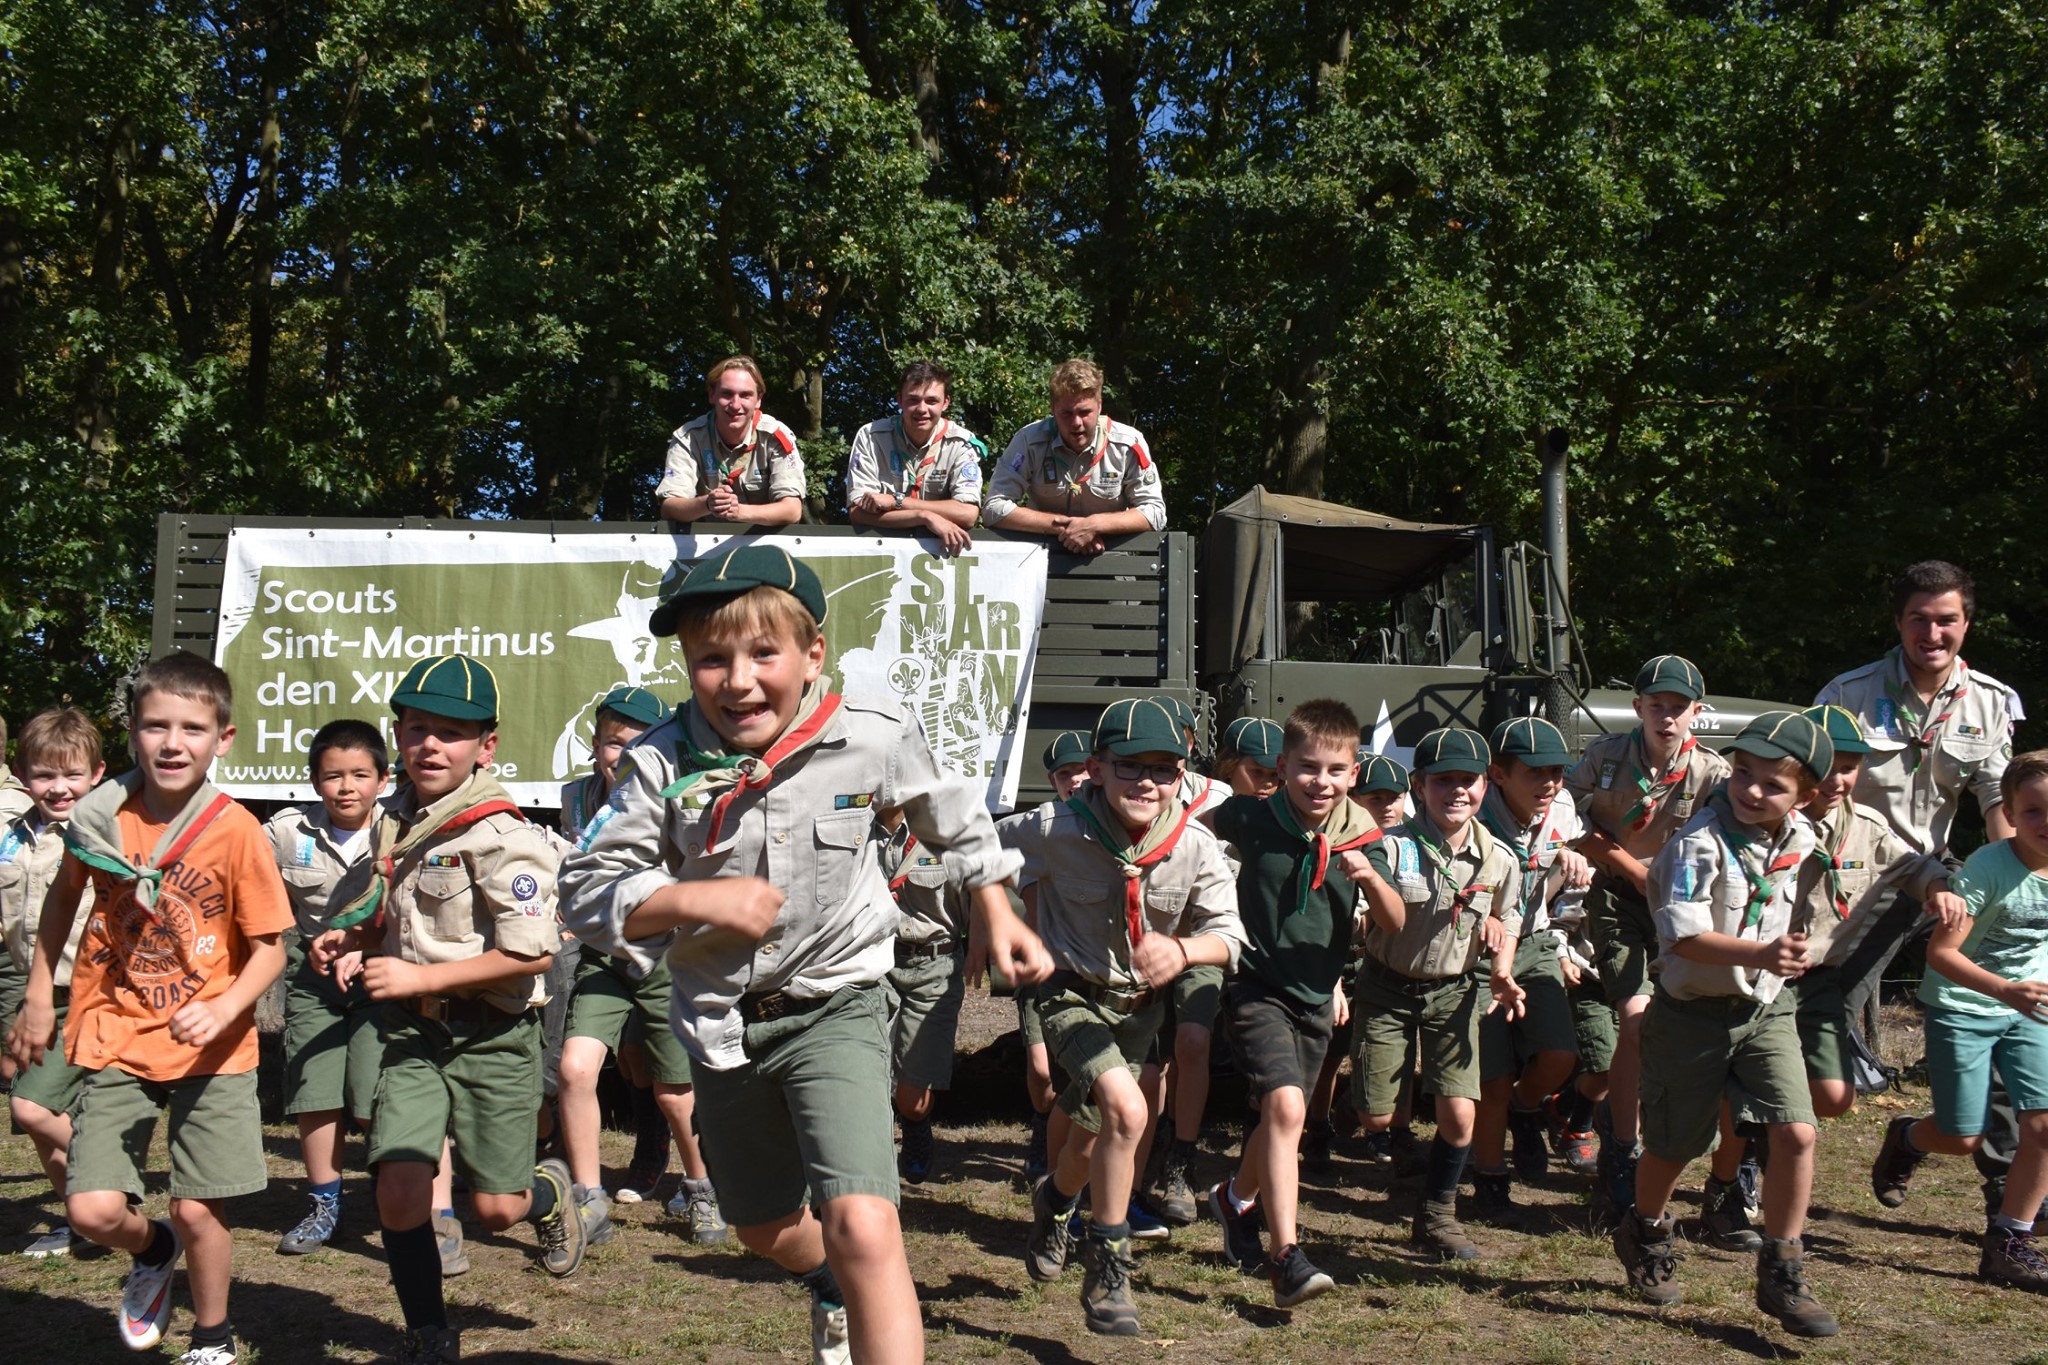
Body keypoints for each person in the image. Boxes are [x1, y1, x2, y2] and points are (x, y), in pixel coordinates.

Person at [559, 543, 1050, 1365]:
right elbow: (582, 884)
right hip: (720, 1026)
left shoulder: (869, 735)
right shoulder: (659, 762)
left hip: (839, 1001)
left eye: (764, 653)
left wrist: (994, 901)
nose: (739, 679)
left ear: (812, 653)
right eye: (711, 658)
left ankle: (855, 1287)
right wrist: (687, 897)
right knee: (762, 1226)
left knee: (865, 1221)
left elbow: (953, 813)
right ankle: (827, 1281)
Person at [7, 653, 292, 1364]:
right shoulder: (99, 816)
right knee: (92, 1208)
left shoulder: (237, 831)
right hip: (118, 1034)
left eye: (192, 727)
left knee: (199, 1204)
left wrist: (226, 1006)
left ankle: (213, 1336)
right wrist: (40, 994)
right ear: (131, 732)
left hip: (213, 1045)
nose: (173, 742)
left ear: (221, 738)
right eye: (156, 725)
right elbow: (62, 898)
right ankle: (154, 1249)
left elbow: (271, 949)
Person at [312, 655, 583, 1365]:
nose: (431, 744)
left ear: (486, 746)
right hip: (413, 1032)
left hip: (493, 1035)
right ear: (397, 732)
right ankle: (429, 1330)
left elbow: (533, 957)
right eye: (417, 727)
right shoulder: (393, 820)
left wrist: (414, 971)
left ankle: (552, 1196)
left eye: (453, 732)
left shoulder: (506, 836)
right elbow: (392, 915)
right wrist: (353, 939)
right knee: (400, 1190)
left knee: (497, 1208)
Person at [1010, 696, 1243, 1336]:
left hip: (1136, 1010)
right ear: (1096, 768)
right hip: (1069, 995)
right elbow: (978, 853)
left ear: (1182, 775)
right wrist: (999, 924)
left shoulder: (1193, 844)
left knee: (1090, 1139)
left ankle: (1056, 1199)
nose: (1147, 782)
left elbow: (1230, 933)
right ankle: (1110, 1267)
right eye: (1129, 766)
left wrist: (1185, 948)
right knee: (1130, 1111)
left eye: (1164, 770)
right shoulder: (1051, 826)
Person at [1614, 712, 1838, 1339]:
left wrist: (1933, 880)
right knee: (1674, 1146)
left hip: (1766, 1008)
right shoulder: (1700, 840)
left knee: (1796, 1133)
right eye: (1743, 773)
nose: (1750, 790)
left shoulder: (1801, 838)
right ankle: (1647, 1229)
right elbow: (1682, 934)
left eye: (1772, 783)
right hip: (1690, 1014)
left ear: (1806, 794)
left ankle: (1783, 1267)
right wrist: (1763, 954)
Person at [1815, 560, 2023, 1208]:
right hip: (1855, 873)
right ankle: (1751, 1158)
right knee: (1818, 1010)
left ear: (1966, 622)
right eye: (1919, 618)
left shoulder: (1989, 700)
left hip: (1941, 871)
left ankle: (2004, 1182)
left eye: (1946, 619)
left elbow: (1996, 796)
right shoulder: (1849, 691)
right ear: (1899, 622)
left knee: (2005, 1000)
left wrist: (2005, 883)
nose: (1932, 632)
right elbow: (1812, 789)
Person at [1204, 699, 1398, 1306]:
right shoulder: (1250, 818)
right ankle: (1286, 1257)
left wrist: (1369, 878)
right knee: (1287, 1110)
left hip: (1318, 996)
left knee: (1278, 1124)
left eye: (1336, 771)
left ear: (1355, 772)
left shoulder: (1365, 837)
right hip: (1256, 986)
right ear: (1283, 766)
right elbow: (1184, 835)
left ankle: (1234, 1199)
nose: (1321, 782)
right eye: (1307, 767)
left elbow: (1395, 922)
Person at [1867, 749, 2048, 1290]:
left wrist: (2023, 995)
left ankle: (2008, 1242)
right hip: (1964, 1006)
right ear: (2010, 814)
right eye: (2034, 810)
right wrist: (2003, 990)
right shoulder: (1988, 869)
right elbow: (1942, 955)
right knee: (1961, 1135)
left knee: (2042, 1126)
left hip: (2030, 1008)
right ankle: (1908, 1138)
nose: (2046, 823)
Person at [555, 685, 727, 1246]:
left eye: (630, 745)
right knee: (576, 1069)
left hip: (663, 957)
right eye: (608, 743)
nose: (617, 757)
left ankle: (701, 1188)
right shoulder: (577, 799)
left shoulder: (675, 795)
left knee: (675, 1093)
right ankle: (586, 1199)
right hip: (603, 958)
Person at [1565, 654, 1730, 1216]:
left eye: (1679, 708)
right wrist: (1632, 868)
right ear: (1638, 708)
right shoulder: (1603, 757)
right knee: (1634, 1019)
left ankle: (1690, 1149)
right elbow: (1567, 818)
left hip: (1681, 912)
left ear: (1696, 714)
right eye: (1656, 706)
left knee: (1675, 1027)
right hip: (1617, 900)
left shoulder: (1713, 775)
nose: (1667, 717)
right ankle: (1623, 1152)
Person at [1352, 728, 1525, 1260]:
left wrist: (1502, 965)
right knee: (1376, 1116)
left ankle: (1437, 1214)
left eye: (1468, 781)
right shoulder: (1389, 846)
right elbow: (1361, 917)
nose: (1457, 792)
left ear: (1484, 786)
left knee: (1459, 1112)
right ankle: (1398, 1154)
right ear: (1420, 785)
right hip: (1386, 985)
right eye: (1443, 781)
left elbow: (1508, 914)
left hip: (1456, 990)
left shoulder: (1499, 857)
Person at [264, 719, 389, 1258]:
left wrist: (367, 944)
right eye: (332, 776)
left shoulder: (403, 827)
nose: (346, 787)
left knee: (373, 1093)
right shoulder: (286, 833)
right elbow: (257, 895)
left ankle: (403, 1194)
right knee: (314, 1092)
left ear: (382, 780)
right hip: (313, 978)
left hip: (383, 975)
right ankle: (324, 1203)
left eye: (360, 775)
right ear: (314, 782)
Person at [1469, 717, 1591, 1223]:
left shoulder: (1560, 808)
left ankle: (1527, 1108)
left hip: (1536, 940)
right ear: (1499, 774)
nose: (1550, 783)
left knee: (1560, 1055)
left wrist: (1574, 855)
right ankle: (1491, 1181)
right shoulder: (1473, 812)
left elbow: (1571, 866)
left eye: (1558, 772)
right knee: (1491, 1080)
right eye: (1536, 773)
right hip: (1476, 950)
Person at [2, 706, 104, 1258]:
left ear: (97, 773)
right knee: (42, 1120)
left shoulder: (101, 833)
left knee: (30, 1108)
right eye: (45, 775)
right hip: (29, 988)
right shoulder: (14, 835)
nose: (59, 788)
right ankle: (81, 1218)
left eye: (72, 775)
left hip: (85, 992)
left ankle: (110, 1182)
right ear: (23, 776)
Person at [1306, 752, 1411, 1166]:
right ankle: (1318, 1126)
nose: (1385, 806)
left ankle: (1380, 1128)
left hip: (1385, 960)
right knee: (1329, 1051)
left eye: (1393, 797)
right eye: (1374, 797)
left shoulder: (1411, 843)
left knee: (1385, 1049)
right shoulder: (1339, 838)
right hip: (1340, 958)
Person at [1005, 730, 1093, 1188]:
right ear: (1052, 780)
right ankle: (1043, 1127)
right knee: (1042, 1072)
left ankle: (1065, 1159)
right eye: (1065, 774)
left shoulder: (1112, 826)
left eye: (1082, 771)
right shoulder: (1038, 829)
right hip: (1044, 969)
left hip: (1091, 972)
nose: (1075, 781)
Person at [984, 358, 1165, 555]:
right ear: (1053, 408)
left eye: (1085, 412)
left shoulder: (1128, 444)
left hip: (1112, 565)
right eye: (1066, 413)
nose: (1076, 422)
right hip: (1044, 563)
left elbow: (1155, 512)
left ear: (1100, 405)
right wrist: (1065, 527)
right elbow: (994, 508)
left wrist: (1095, 525)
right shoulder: (1028, 441)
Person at [880, 803, 969, 1182]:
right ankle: (874, 1164)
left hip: (934, 963)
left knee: (912, 1097)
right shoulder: (859, 827)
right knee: (868, 1077)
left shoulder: (944, 832)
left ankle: (916, 1124)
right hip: (877, 962)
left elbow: (977, 895)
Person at [846, 359, 986, 555]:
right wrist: (924, 516)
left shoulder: (961, 442)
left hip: (943, 555)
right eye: (913, 400)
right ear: (899, 400)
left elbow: (968, 513)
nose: (922, 409)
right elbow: (858, 514)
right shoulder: (871, 436)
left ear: (946, 403)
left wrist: (896, 502)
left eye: (931, 401)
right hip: (882, 553)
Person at [656, 355, 805, 526]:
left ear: (758, 399)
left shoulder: (776, 437)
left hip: (766, 547)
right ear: (712, 395)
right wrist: (707, 504)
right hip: (705, 547)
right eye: (727, 394)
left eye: (745, 395)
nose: (735, 405)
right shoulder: (688, 438)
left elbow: (792, 510)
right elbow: (669, 507)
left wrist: (739, 511)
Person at [1214, 716, 1283, 798]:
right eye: (1257, 772)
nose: (1268, 784)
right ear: (1228, 768)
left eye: (1274, 774)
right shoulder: (1208, 808)